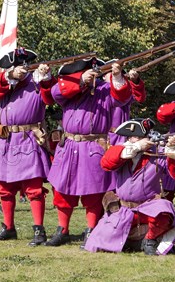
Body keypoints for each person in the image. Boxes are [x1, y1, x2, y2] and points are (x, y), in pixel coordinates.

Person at [46, 58, 134, 247]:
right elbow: (55, 92)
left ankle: (91, 229)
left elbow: (122, 98)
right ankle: (62, 229)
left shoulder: (104, 89)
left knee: (93, 194)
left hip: (93, 146)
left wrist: (118, 76)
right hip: (69, 145)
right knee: (62, 192)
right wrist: (81, 80)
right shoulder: (71, 87)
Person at [0, 48, 55, 245]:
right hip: (6, 140)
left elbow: (52, 96)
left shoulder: (38, 82)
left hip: (29, 138)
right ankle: (8, 228)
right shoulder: (7, 84)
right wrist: (10, 75)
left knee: (33, 188)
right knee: (4, 188)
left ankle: (39, 231)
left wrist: (46, 77)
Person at [86, 118, 175, 255]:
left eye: (141, 137)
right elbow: (106, 163)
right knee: (101, 240)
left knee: (165, 211)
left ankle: (149, 240)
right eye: (134, 137)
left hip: (149, 207)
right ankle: (135, 243)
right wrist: (137, 147)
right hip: (124, 209)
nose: (137, 139)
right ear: (129, 138)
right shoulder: (121, 149)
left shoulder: (157, 152)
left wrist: (174, 151)